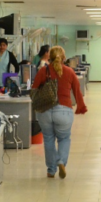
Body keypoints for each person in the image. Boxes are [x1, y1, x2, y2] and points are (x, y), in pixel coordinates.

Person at [32, 46, 87, 179]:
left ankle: (51, 170)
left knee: (49, 139)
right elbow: (77, 91)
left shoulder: (43, 71)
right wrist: (81, 107)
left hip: (45, 111)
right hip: (63, 110)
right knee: (64, 139)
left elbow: (34, 90)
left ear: (49, 57)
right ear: (63, 57)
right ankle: (61, 161)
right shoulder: (69, 71)